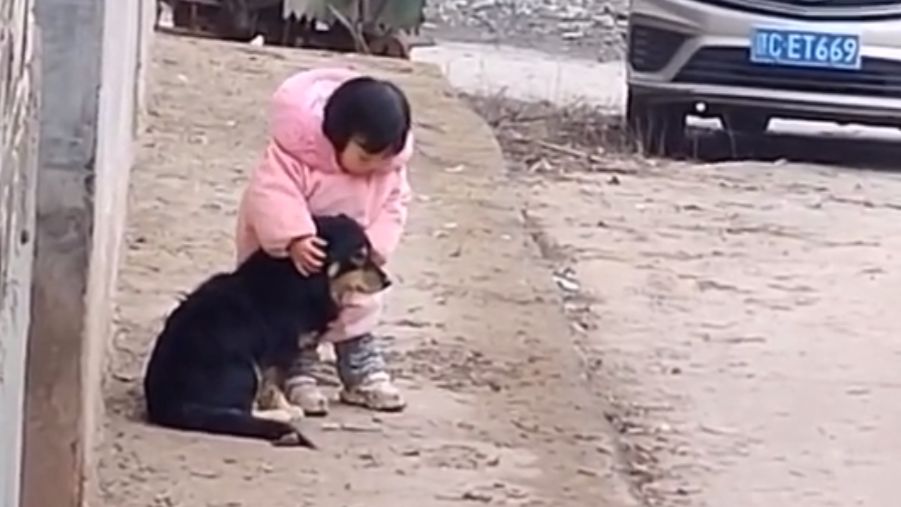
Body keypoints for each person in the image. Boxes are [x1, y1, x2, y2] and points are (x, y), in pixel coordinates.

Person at [235, 68, 413, 414]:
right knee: (293, 315)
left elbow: (396, 204)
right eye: (364, 157)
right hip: (297, 260)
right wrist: (294, 235)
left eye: (384, 158)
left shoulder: (388, 171)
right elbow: (271, 192)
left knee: (359, 303)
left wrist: (375, 246)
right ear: (336, 137)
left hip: (350, 261)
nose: (374, 166)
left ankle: (359, 367)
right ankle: (298, 369)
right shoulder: (296, 156)